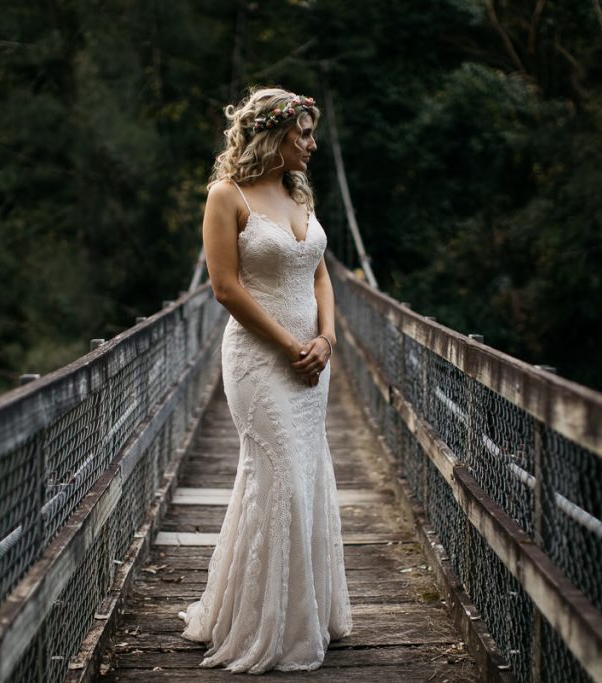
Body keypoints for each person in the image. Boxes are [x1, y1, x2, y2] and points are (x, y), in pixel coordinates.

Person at [178, 86, 353, 673]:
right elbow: (225, 287)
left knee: (306, 474)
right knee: (280, 478)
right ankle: (264, 624)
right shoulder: (226, 196)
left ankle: (303, 613)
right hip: (259, 361)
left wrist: (326, 339)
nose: (311, 144)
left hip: (312, 361)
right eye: (302, 133)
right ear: (272, 136)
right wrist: (290, 346)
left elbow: (320, 276)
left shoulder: (299, 192)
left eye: (311, 133)